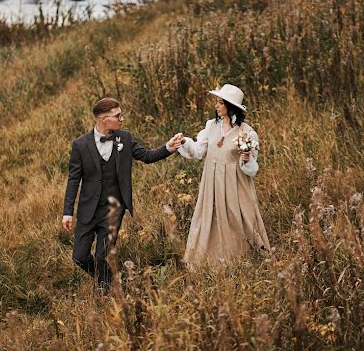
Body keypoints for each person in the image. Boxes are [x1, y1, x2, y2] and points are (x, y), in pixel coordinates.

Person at [62, 97, 184, 291]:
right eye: (117, 116)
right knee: (79, 256)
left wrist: (168, 147)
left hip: (114, 209)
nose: (122, 119)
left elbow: (147, 156)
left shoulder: (124, 138)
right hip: (88, 209)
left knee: (102, 255)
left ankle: (104, 292)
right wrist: (67, 212)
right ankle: (107, 279)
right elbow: (73, 179)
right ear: (103, 119)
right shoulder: (80, 145)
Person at [178, 84, 270, 265]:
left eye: (220, 103)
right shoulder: (211, 126)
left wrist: (246, 159)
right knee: (210, 217)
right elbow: (197, 151)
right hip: (212, 182)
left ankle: (243, 257)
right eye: (217, 102)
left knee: (239, 216)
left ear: (230, 106)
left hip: (235, 183)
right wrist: (185, 142)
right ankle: (208, 259)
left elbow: (252, 167)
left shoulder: (247, 132)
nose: (216, 106)